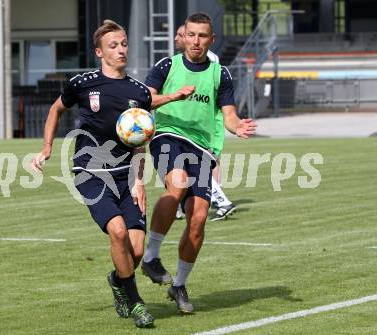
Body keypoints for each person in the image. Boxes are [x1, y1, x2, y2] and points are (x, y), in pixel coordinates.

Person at [31, 20, 154, 328]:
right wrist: (47, 147)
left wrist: (139, 182)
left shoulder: (139, 92)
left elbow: (140, 145)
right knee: (117, 232)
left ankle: (118, 280)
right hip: (91, 172)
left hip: (127, 175)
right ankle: (136, 303)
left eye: (124, 43)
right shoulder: (82, 83)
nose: (121, 49)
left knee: (136, 250)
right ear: (100, 52)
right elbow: (55, 110)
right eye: (114, 45)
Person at [141, 13, 257, 314]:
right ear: (183, 36)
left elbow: (229, 114)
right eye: (190, 35)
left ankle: (179, 284)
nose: (195, 41)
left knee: (199, 218)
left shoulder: (221, 74)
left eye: (202, 36)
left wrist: (237, 126)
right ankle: (151, 256)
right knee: (176, 185)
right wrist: (173, 96)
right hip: (167, 135)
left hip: (202, 147)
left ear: (211, 39)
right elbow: (146, 100)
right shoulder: (167, 66)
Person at [174, 24, 237, 221]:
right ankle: (180, 203)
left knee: (204, 162)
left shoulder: (209, 62)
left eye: (180, 34)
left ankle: (220, 200)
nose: (176, 38)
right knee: (184, 164)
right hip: (187, 123)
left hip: (206, 122)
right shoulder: (174, 63)